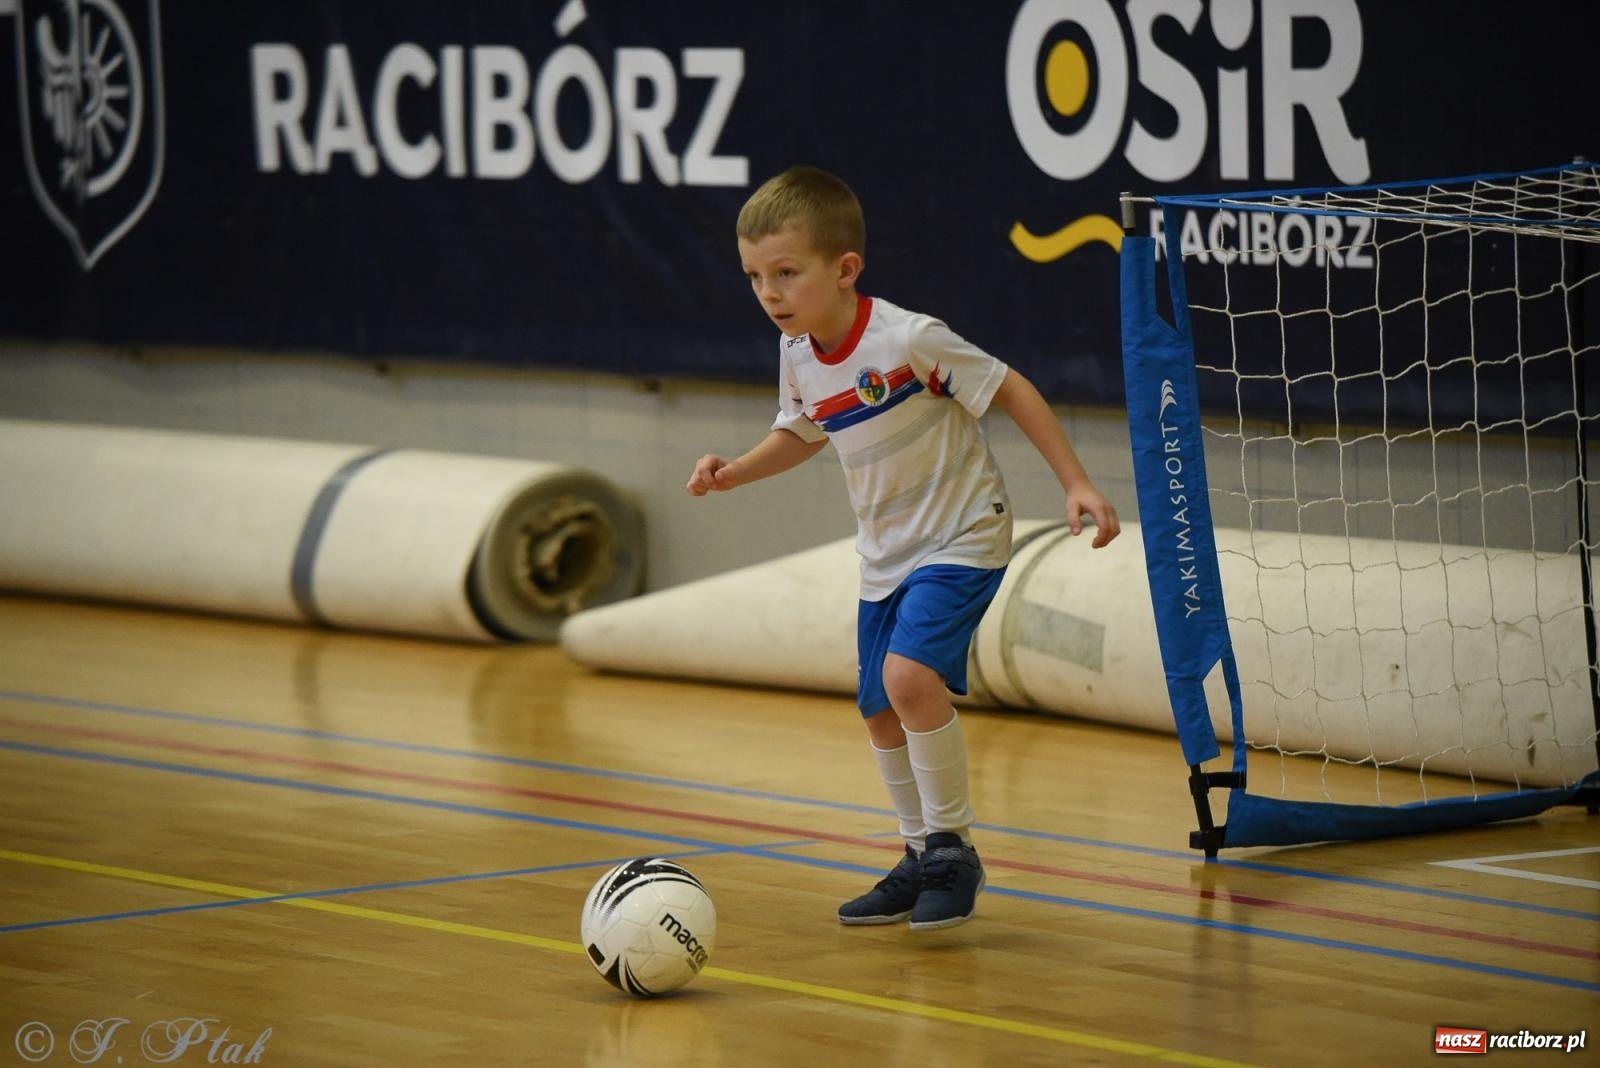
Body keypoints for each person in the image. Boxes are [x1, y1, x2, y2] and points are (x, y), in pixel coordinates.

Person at [686, 166, 1121, 930]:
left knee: (910, 679)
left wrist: (1076, 482)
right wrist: (735, 474)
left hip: (963, 533)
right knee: (879, 709)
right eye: (755, 277)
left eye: (787, 273)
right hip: (884, 554)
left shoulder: (908, 338)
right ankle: (919, 852)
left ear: (845, 268)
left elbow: (1012, 388)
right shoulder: (798, 353)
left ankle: (954, 848)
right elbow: (803, 431)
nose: (770, 293)